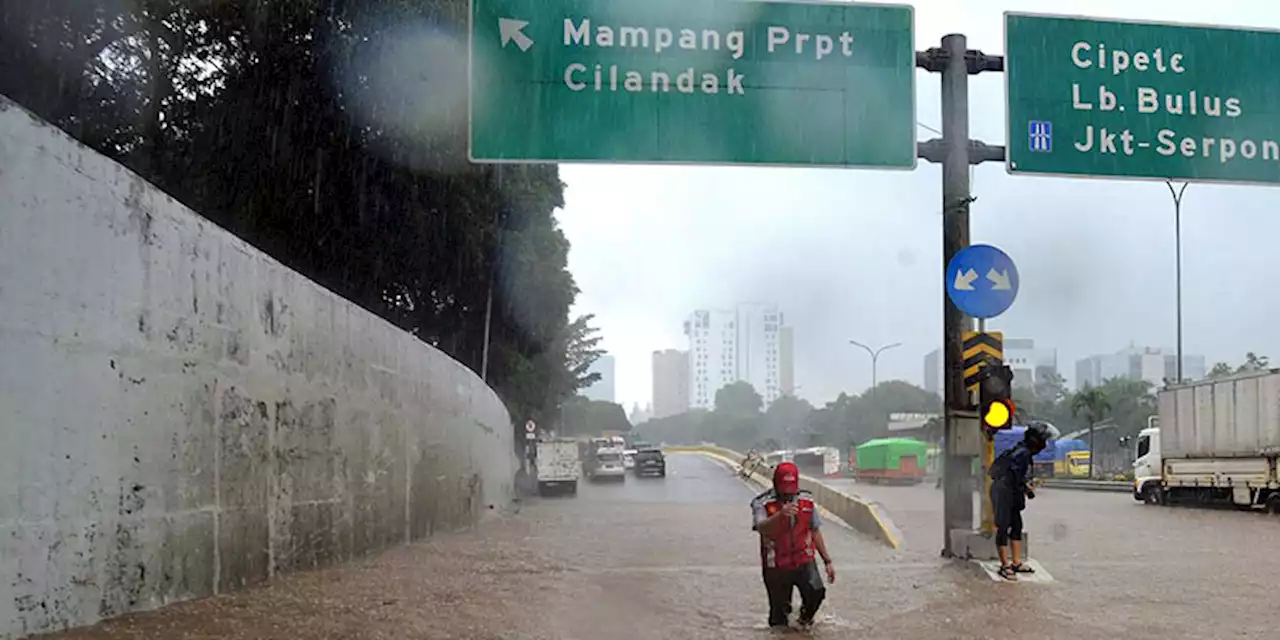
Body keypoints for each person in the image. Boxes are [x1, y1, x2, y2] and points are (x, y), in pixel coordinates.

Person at [750, 462, 836, 628]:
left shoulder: (806, 501)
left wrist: (827, 561)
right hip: (776, 565)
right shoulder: (762, 503)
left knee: (816, 592)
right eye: (784, 490)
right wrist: (780, 516)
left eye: (791, 490)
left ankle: (804, 621)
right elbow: (760, 527)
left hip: (804, 559)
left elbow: (815, 530)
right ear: (775, 484)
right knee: (779, 618)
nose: (788, 495)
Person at [988, 424, 1050, 580]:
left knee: (1016, 525)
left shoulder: (1022, 451)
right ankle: (1004, 565)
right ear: (1036, 441)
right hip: (1003, 491)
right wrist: (1026, 489)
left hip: (1011, 491)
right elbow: (1015, 475)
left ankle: (1016, 562)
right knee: (1003, 527)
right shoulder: (1021, 453)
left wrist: (1024, 488)